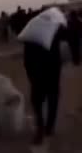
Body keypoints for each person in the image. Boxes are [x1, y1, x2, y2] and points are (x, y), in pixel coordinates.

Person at [21, 8, 67, 145]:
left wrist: (30, 73)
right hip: (52, 71)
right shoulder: (55, 30)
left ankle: (40, 128)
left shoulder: (31, 34)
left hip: (37, 72)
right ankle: (49, 128)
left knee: (37, 101)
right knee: (52, 98)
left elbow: (26, 59)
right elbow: (66, 38)